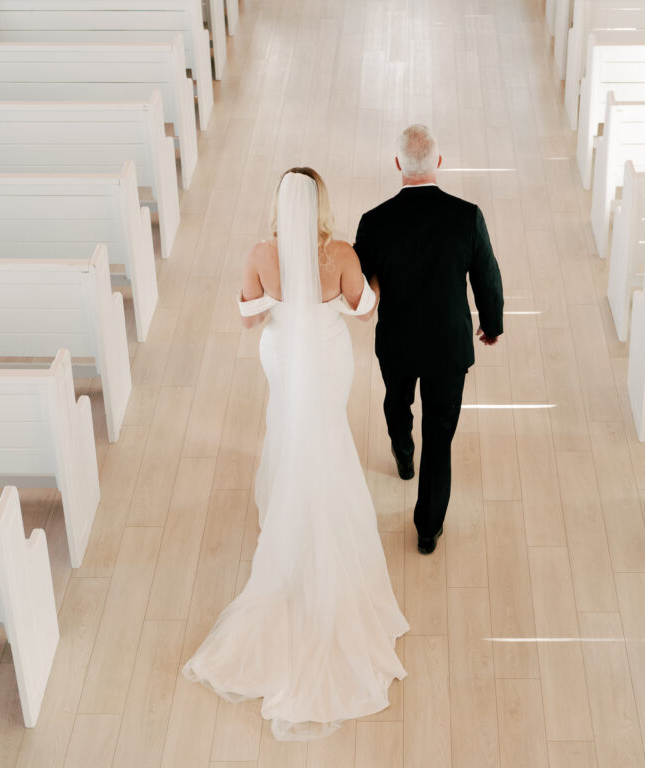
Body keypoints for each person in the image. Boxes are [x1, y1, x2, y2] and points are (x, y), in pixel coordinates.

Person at [183, 168, 408, 741]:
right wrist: (372, 286)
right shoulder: (342, 254)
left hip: (282, 355)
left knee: (285, 422)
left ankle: (287, 497)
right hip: (329, 357)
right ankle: (320, 505)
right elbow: (362, 313)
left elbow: (249, 315)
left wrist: (263, 294)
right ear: (322, 203)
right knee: (325, 428)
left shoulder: (262, 251)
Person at [354, 125, 504, 555]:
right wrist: (490, 325)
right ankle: (428, 527)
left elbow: (360, 285)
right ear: (438, 163)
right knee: (440, 432)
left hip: (397, 342)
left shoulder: (374, 221)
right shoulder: (466, 215)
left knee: (396, 401)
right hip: (447, 346)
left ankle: (403, 453)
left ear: (398, 164)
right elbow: (487, 278)